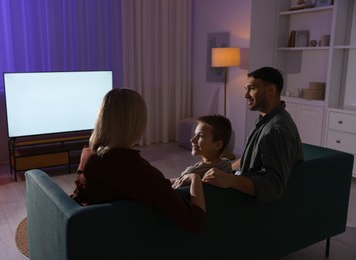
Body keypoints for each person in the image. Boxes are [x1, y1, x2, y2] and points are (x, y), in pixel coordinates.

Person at [70, 88, 205, 233]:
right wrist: (196, 178)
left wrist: (174, 180)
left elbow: (133, 186)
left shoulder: (89, 155)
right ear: (137, 123)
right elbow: (194, 221)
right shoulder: (134, 169)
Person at [202, 67, 304, 201]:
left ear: (271, 90)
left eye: (252, 89)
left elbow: (274, 187)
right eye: (246, 89)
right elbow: (249, 160)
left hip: (249, 203)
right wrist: (224, 169)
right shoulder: (266, 119)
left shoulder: (276, 130)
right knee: (195, 175)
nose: (246, 95)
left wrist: (230, 180)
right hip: (243, 179)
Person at [172, 115, 232, 188]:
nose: (192, 140)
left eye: (201, 136)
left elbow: (175, 190)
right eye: (195, 134)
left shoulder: (192, 173)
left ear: (218, 145)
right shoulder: (226, 164)